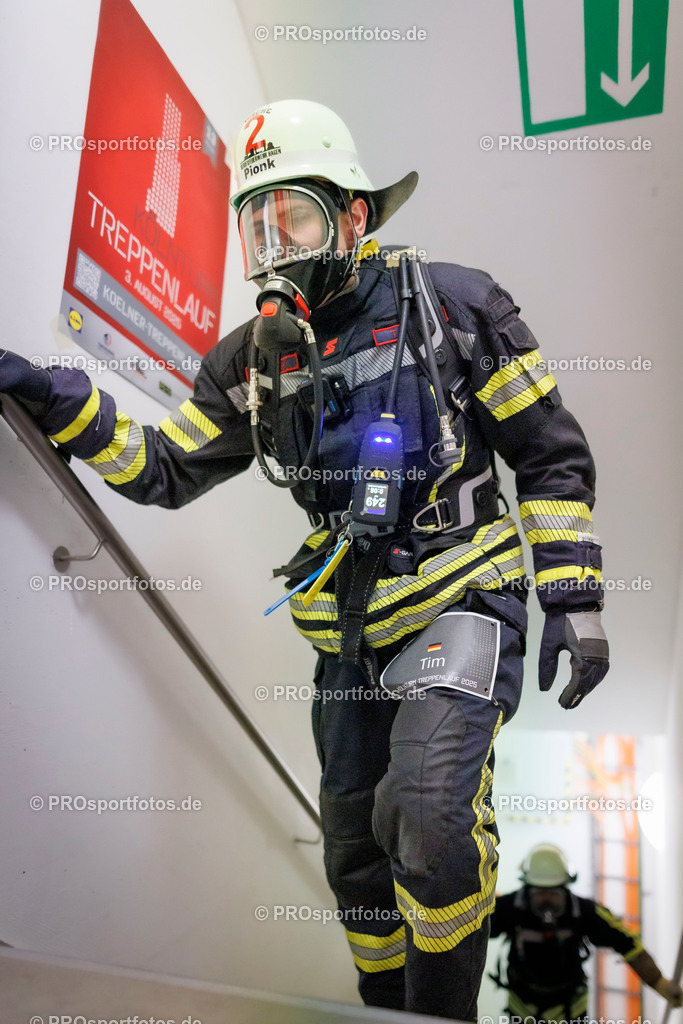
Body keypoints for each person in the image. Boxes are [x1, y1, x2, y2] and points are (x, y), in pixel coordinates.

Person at [0, 99, 610, 1020]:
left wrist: (573, 595)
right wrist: (49, 396)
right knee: (354, 854)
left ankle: (441, 1013)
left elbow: (550, 455)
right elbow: (163, 468)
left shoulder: (456, 305)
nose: (273, 242)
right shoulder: (248, 360)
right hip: (349, 630)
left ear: (354, 216)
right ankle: (382, 1003)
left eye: (293, 214)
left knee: (427, 814)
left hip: (461, 596)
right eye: (255, 222)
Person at [490, 843, 683, 1023]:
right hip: (523, 1005)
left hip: (570, 1006)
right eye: (540, 893)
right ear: (528, 888)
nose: (547, 901)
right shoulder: (511, 908)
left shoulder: (584, 912)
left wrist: (659, 982)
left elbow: (627, 942)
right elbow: (473, 929)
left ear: (565, 889)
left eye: (554, 894)